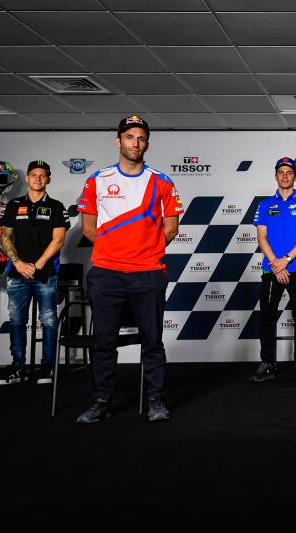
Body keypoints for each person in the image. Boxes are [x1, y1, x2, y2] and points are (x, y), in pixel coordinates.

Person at [75, 115, 183, 423]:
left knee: (152, 341)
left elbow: (171, 228)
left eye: (141, 138)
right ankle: (100, 401)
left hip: (148, 272)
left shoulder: (161, 181)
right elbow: (88, 228)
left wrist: (142, 251)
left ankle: (155, 400)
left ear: (147, 143)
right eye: (129, 137)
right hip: (106, 273)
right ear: (118, 140)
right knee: (104, 342)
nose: (135, 143)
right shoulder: (97, 179)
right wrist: (116, 250)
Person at [0, 160, 69, 386]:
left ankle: (47, 367)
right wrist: (18, 263)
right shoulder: (14, 205)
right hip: (17, 274)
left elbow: (58, 240)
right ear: (27, 178)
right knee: (17, 320)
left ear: (48, 179)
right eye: (34, 175)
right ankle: (18, 367)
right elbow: (5, 237)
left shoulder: (57, 206)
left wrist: (36, 265)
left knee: (48, 320)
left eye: (43, 175)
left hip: (45, 274)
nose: (38, 179)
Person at [249, 157, 296, 383]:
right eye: (281, 172)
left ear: (295, 176)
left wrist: (285, 260)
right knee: (267, 318)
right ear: (276, 176)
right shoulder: (264, 205)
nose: (285, 176)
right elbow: (262, 238)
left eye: (289, 172)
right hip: (272, 270)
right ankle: (267, 363)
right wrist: (276, 264)